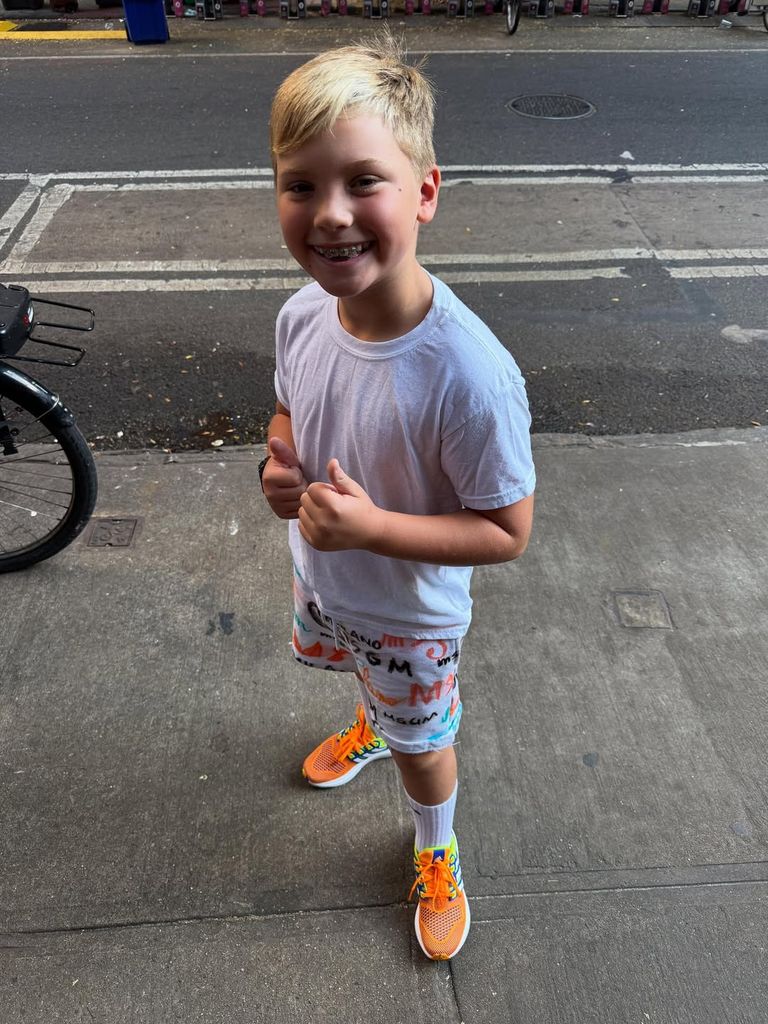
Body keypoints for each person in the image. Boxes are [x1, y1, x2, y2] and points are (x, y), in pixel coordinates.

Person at [261, 35, 535, 962]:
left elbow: (507, 531)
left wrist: (373, 526)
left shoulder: (467, 374)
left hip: (411, 614)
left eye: (363, 181)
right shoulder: (301, 313)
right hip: (329, 580)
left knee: (427, 746)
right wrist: (280, 462)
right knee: (364, 681)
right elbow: (290, 407)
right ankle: (373, 719)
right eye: (301, 185)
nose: (330, 215)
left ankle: (437, 845)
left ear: (424, 191)